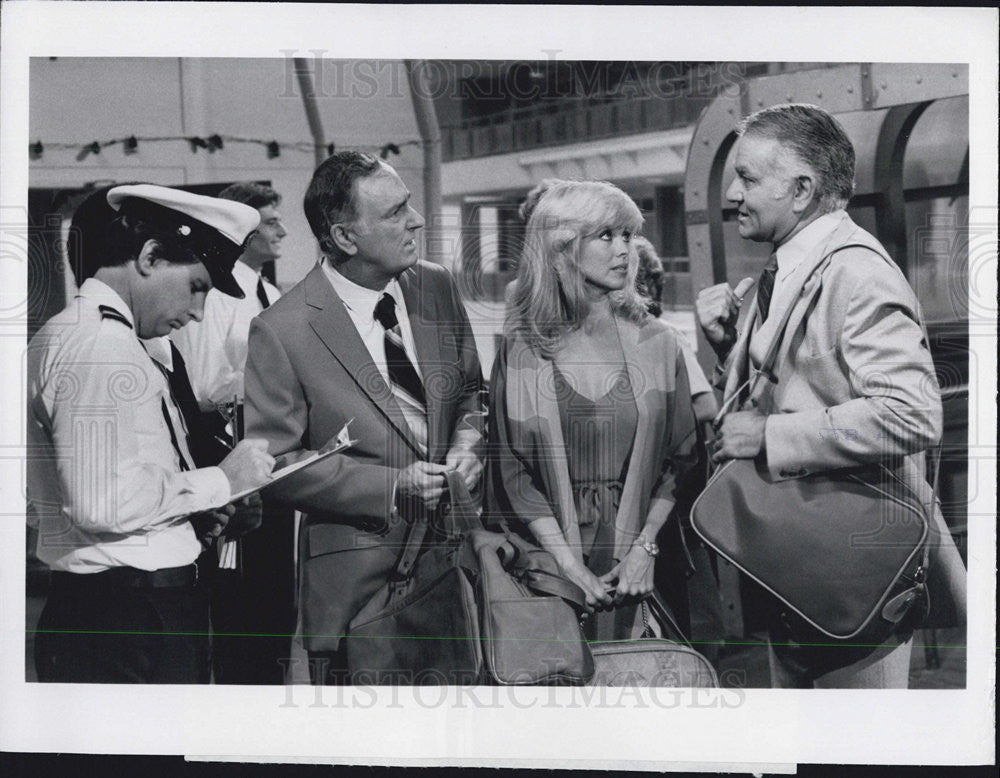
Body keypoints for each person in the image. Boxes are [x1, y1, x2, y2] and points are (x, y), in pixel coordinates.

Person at [695, 103, 966, 688]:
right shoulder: (792, 267)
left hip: (850, 567)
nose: (734, 194)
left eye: (747, 178)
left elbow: (912, 412)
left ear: (801, 190)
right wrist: (728, 351)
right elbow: (800, 390)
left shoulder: (858, 273)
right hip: (797, 559)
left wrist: (769, 435)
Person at [244, 151, 484, 684]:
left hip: (455, 565)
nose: (416, 220)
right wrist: (391, 485)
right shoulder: (282, 330)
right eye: (396, 212)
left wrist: (469, 447)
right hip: (358, 586)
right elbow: (275, 465)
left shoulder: (437, 286)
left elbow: (472, 394)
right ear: (345, 237)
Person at [27, 184, 276, 683]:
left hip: (124, 611)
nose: (199, 312)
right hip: (126, 619)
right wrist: (220, 482)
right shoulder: (101, 346)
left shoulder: (98, 336)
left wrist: (193, 516)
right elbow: (101, 502)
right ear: (150, 256)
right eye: (198, 286)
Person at [485, 179, 698, 641]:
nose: (625, 249)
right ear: (562, 249)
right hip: (546, 563)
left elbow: (680, 460)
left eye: (628, 235)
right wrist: (567, 564)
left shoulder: (659, 342)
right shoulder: (523, 347)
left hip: (639, 565)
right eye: (607, 236)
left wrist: (645, 549)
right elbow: (512, 473)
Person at [171, 182, 295, 685]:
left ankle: (268, 687)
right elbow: (200, 385)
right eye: (269, 221)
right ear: (242, 234)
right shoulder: (220, 293)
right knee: (244, 599)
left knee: (274, 597)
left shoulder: (270, 291)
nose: (282, 229)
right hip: (232, 445)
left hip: (273, 449)